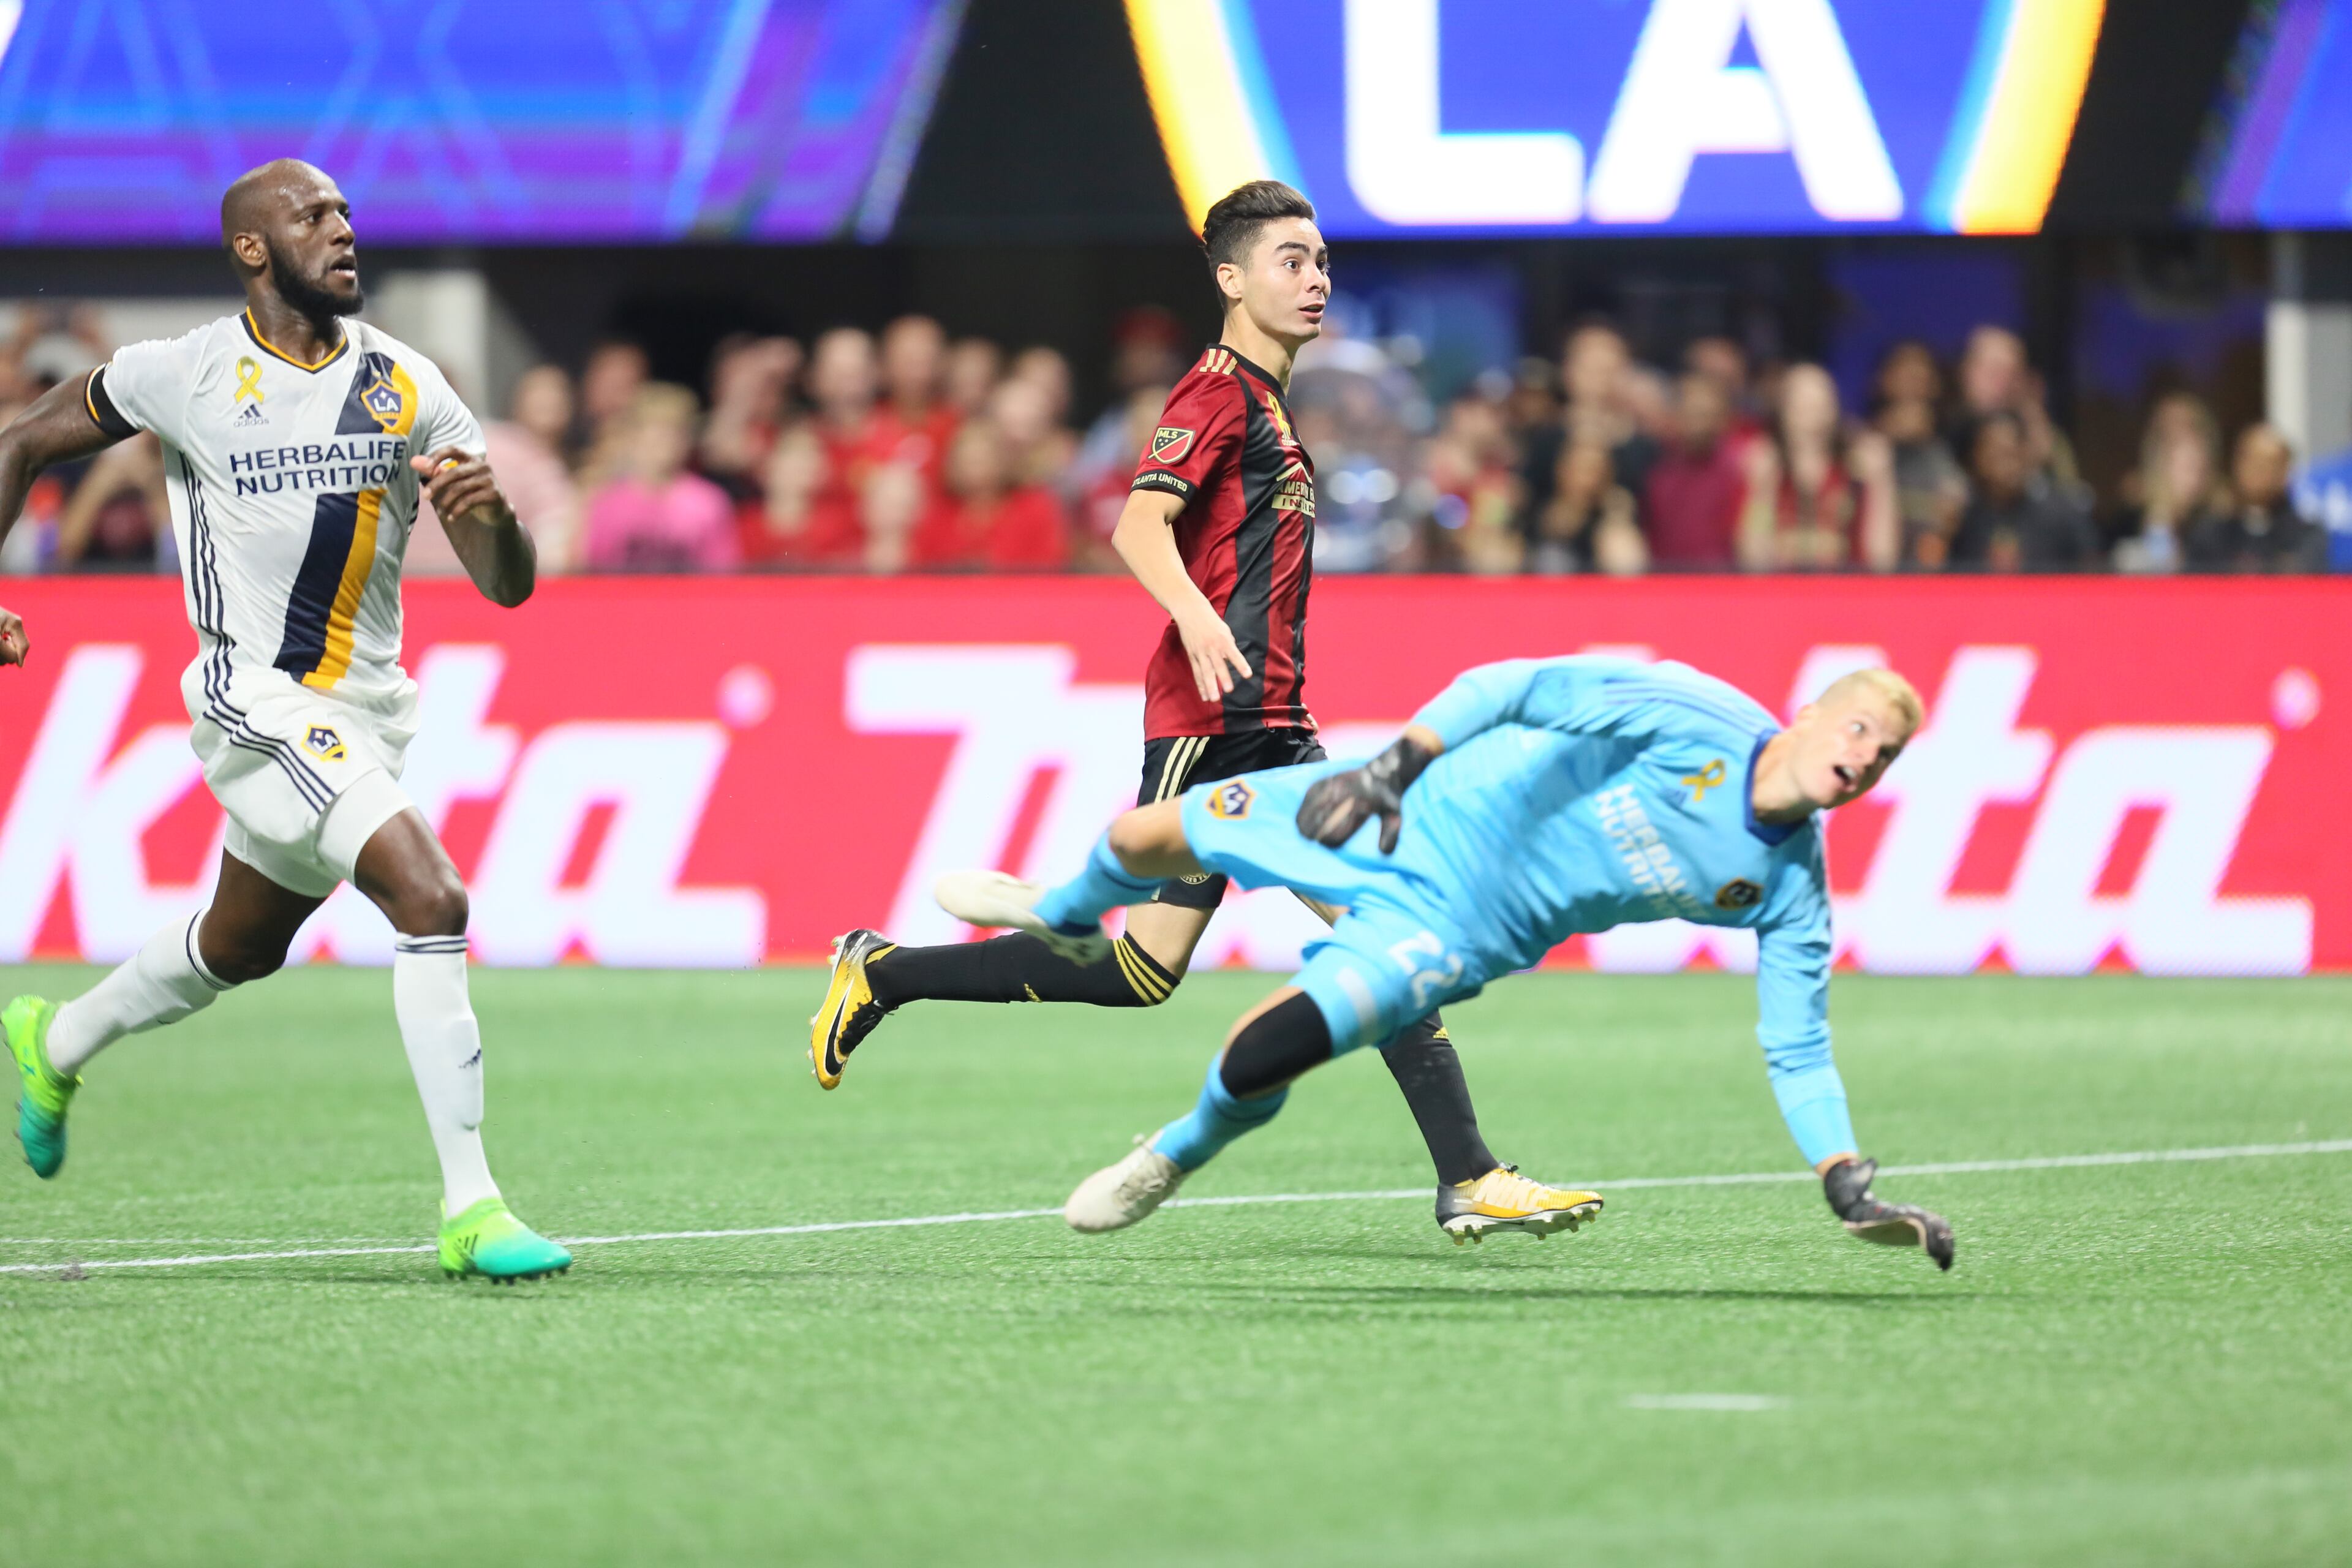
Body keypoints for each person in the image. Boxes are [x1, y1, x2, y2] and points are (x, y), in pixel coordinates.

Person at [809, 179, 1592, 1242]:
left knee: (1306, 944)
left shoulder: (1269, 404)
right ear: (1231, 279)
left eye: (1321, 262)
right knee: (1185, 964)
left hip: (1273, 722)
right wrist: (1196, 618)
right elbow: (1139, 527)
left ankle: (894, 970)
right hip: (1212, 722)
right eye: (1289, 260)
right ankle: (910, 962)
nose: (1315, 279)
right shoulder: (1218, 391)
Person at [0, 159, 568, 1281]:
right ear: (252, 250)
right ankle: (473, 1208)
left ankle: (53, 1041)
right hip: (252, 696)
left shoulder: (411, 388)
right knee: (431, 892)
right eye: (312, 216)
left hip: (366, 711)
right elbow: (17, 442)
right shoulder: (186, 372)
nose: (342, 230)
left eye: (347, 214)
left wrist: (493, 519)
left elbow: (508, 585)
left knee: (237, 948)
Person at [930, 657, 1953, 1274]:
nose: (1864, 760)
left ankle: (1174, 1157)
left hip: (1454, 932)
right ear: (1813, 711)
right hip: (1395, 811)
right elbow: (1514, 687)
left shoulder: (1788, 888)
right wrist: (1393, 764)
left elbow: (1798, 1040)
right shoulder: (1695, 718)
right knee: (1153, 834)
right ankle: (1064, 914)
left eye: (1887, 757)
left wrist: (1841, 1173)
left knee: (1275, 1050)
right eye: (1860, 730)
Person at [1736, 363, 1898, 571]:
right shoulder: (1768, 472)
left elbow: (1883, 560)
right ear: (1783, 412)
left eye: (1820, 406)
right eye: (1801, 407)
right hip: (1781, 595)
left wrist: (1881, 482)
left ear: (1835, 412)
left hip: (1845, 595)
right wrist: (1761, 490)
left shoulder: (1854, 474)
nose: (1812, 418)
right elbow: (1754, 558)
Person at [581, 382, 739, 573]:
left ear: (686, 440)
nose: (664, 442)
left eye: (673, 432)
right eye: (656, 432)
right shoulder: (606, 503)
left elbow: (722, 576)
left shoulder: (709, 503)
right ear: (633, 437)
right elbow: (591, 573)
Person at [1948, 411, 2098, 571]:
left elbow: (2093, 571)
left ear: (2026, 453)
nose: (2008, 466)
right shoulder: (1964, 519)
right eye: (1997, 455)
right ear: (1976, 459)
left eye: (2013, 453)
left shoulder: (2063, 514)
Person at [913, 417, 1068, 571]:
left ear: (1002, 460)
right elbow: (923, 567)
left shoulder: (1034, 507)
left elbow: (1049, 563)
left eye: (982, 460)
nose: (975, 469)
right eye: (967, 461)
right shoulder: (938, 513)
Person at [1643, 371, 1745, 570]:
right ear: (1676, 415)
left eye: (1707, 415)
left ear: (1723, 419)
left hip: (1722, 583)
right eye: (1692, 413)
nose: (1699, 425)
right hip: (1665, 582)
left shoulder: (1740, 470)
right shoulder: (1656, 468)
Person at [2191, 423, 2326, 572]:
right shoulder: (2211, 533)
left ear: (2285, 471)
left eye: (2270, 463)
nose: (2259, 471)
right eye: (2251, 460)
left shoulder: (2306, 536)